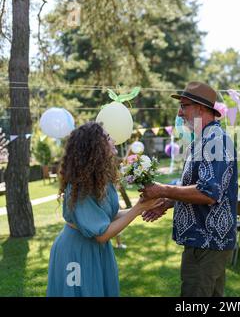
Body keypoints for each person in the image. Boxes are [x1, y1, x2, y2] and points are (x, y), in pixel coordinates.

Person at [140, 81, 238, 297]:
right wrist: (169, 202)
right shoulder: (203, 140)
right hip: (204, 241)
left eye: (184, 106)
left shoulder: (215, 141)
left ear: (201, 109)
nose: (179, 112)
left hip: (207, 241)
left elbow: (208, 193)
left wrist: (162, 190)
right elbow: (198, 186)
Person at [47, 122, 163, 297]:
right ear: (96, 146)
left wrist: (142, 205)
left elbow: (107, 217)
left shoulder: (100, 179)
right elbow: (101, 234)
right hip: (77, 252)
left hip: (95, 250)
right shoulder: (80, 187)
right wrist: (138, 208)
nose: (114, 140)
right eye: (108, 138)